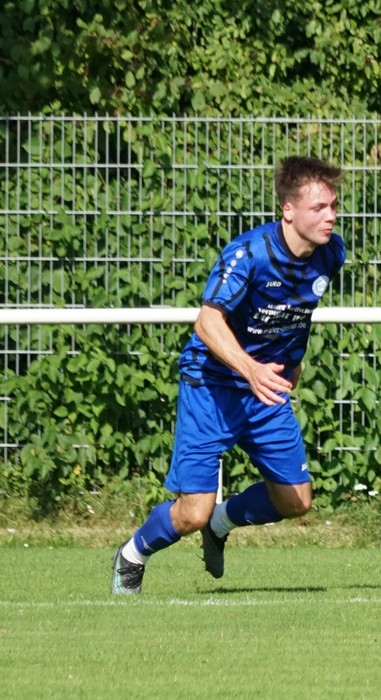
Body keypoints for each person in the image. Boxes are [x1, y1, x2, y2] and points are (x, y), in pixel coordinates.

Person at [111, 155, 346, 594]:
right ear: (289, 210)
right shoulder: (249, 254)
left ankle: (220, 523)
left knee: (296, 500)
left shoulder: (331, 254)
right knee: (191, 513)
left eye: (334, 206)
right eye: (319, 207)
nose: (330, 216)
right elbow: (207, 322)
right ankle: (132, 554)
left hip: (265, 387)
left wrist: (292, 361)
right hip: (212, 385)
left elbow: (297, 311)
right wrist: (251, 369)